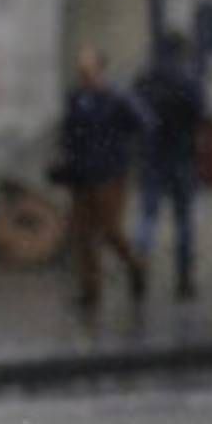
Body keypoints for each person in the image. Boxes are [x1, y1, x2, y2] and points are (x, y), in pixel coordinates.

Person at [52, 45, 150, 315]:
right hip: (82, 175)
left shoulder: (115, 97)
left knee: (110, 230)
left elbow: (143, 122)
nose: (84, 74)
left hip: (109, 175)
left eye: (89, 68)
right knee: (82, 235)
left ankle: (135, 265)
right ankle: (90, 291)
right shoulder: (77, 98)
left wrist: (120, 151)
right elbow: (70, 132)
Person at [133, 30, 205, 300]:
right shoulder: (187, 80)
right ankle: (184, 281)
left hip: (153, 156)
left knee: (147, 218)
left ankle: (140, 263)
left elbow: (136, 114)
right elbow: (200, 112)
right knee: (184, 222)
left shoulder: (146, 79)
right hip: (182, 155)